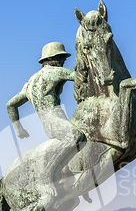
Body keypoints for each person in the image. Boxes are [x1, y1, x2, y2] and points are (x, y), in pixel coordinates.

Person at [6, 42, 85, 197]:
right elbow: (83, 79)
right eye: (62, 57)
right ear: (54, 58)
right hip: (55, 122)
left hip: (48, 124)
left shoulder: (30, 82)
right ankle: (45, 175)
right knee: (76, 136)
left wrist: (18, 128)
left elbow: (10, 105)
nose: (64, 61)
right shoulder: (56, 72)